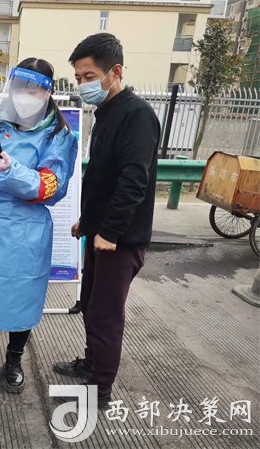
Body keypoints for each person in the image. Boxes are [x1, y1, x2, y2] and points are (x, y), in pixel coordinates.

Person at [0, 58, 78, 394]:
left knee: (22, 295)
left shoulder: (58, 135)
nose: (25, 95)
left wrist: (11, 170)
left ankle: (14, 358)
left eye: (33, 90)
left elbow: (51, 186)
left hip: (26, 228)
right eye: (20, 87)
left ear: (47, 93)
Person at [52, 33, 160, 408]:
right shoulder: (106, 113)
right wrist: (87, 222)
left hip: (120, 240)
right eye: (78, 78)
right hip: (99, 234)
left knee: (106, 315)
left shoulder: (137, 116)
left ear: (115, 72)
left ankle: (99, 391)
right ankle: (91, 364)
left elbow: (133, 180)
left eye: (89, 76)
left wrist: (110, 231)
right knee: (90, 304)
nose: (83, 84)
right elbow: (102, 177)